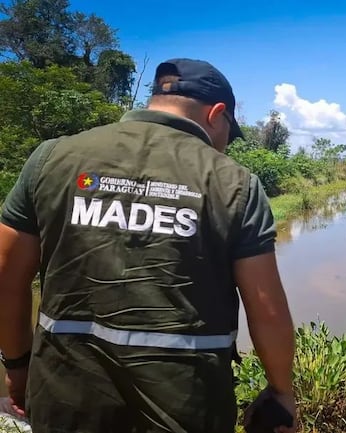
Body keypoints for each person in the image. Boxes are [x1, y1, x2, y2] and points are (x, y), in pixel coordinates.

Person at [0, 58, 297, 433]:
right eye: (228, 132)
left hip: (64, 398)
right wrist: (281, 390)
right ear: (216, 113)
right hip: (187, 406)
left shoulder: (51, 157)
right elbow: (266, 310)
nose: (224, 145)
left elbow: (7, 280)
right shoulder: (235, 183)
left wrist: (17, 366)